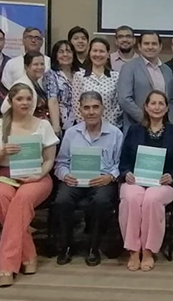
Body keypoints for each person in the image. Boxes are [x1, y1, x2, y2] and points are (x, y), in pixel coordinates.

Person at [0, 83, 58, 287]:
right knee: (0, 195)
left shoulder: (43, 125)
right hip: (6, 174)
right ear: (10, 101)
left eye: (28, 99)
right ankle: (28, 254)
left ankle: (6, 265)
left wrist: (38, 175)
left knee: (22, 199)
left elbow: (49, 160)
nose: (25, 103)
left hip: (37, 176)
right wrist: (2, 153)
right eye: (20, 99)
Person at [52, 90, 123, 266]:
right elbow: (61, 163)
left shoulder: (115, 134)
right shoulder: (71, 133)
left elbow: (120, 164)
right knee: (62, 200)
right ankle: (67, 246)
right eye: (86, 108)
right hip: (75, 180)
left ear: (102, 109)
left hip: (102, 180)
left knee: (101, 201)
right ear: (80, 110)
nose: (91, 112)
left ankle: (93, 247)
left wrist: (110, 177)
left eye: (95, 107)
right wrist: (65, 175)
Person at [117, 90, 173, 272]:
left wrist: (172, 176)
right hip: (136, 181)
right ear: (146, 107)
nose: (156, 107)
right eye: (153, 103)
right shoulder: (134, 130)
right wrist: (126, 173)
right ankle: (133, 249)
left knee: (151, 199)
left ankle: (148, 250)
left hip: (163, 183)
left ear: (167, 108)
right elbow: (124, 161)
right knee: (131, 198)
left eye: (161, 103)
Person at [117, 31, 173, 131]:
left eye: (154, 44)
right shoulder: (129, 67)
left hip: (163, 128)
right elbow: (124, 99)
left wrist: (167, 120)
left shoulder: (167, 70)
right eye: (146, 43)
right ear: (139, 46)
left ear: (160, 46)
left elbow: (172, 99)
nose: (150, 47)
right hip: (137, 127)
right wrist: (148, 120)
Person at [72, 37, 122, 127]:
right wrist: (86, 126)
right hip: (85, 128)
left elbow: (118, 105)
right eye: (95, 51)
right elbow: (76, 106)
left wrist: (107, 127)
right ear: (89, 53)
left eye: (101, 51)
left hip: (111, 127)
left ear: (108, 54)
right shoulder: (79, 76)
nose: (98, 54)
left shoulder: (116, 77)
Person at [1, 51, 51, 122]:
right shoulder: (22, 85)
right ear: (26, 67)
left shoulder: (36, 82)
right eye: (35, 64)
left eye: (42, 64)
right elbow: (4, 109)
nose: (40, 67)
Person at [43, 39, 77, 135]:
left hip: (81, 123)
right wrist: (56, 126)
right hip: (62, 124)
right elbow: (52, 101)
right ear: (56, 56)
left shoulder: (80, 73)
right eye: (61, 52)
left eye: (68, 51)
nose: (65, 54)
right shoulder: (51, 74)